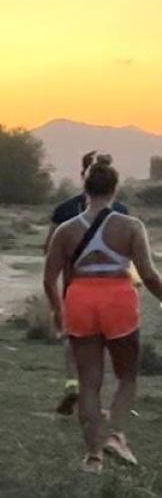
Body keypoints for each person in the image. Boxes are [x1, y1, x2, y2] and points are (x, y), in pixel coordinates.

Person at [43, 155, 162, 474]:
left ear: (85, 189)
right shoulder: (130, 226)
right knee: (126, 377)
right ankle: (116, 435)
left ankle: (92, 456)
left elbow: (49, 277)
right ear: (115, 189)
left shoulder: (66, 230)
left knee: (89, 382)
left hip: (80, 299)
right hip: (117, 299)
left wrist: (57, 310)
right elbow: (149, 275)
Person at [44, 150, 131, 416]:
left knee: (75, 340)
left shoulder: (64, 210)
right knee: (103, 346)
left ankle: (73, 383)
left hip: (75, 289)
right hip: (114, 291)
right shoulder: (121, 212)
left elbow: (49, 248)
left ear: (83, 177)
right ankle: (101, 405)